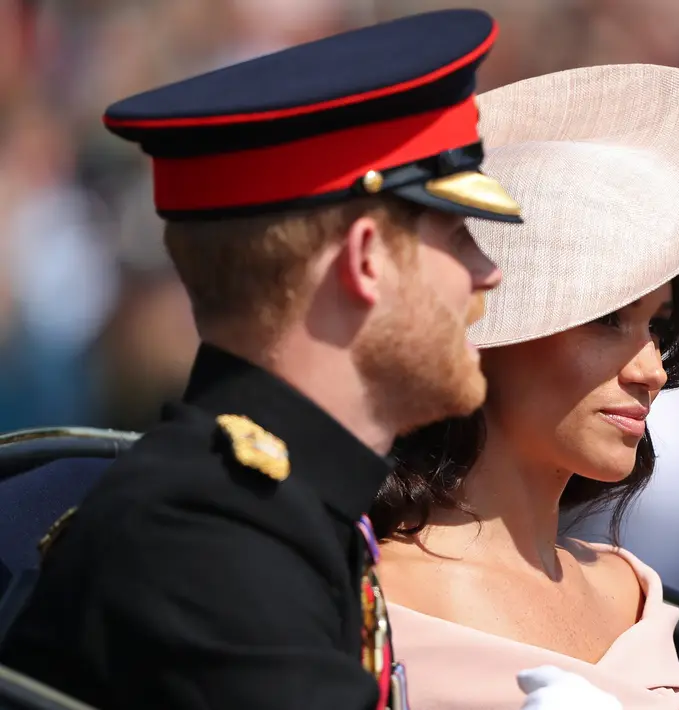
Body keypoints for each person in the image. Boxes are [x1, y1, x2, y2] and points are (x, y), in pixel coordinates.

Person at [0, 10, 522, 710]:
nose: (486, 272)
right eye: (458, 236)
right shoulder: (203, 538)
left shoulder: (276, 511)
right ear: (366, 260)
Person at [368, 64, 679, 709]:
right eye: (606, 320)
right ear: (488, 328)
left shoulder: (633, 592)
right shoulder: (372, 597)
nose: (653, 369)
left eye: (658, 328)